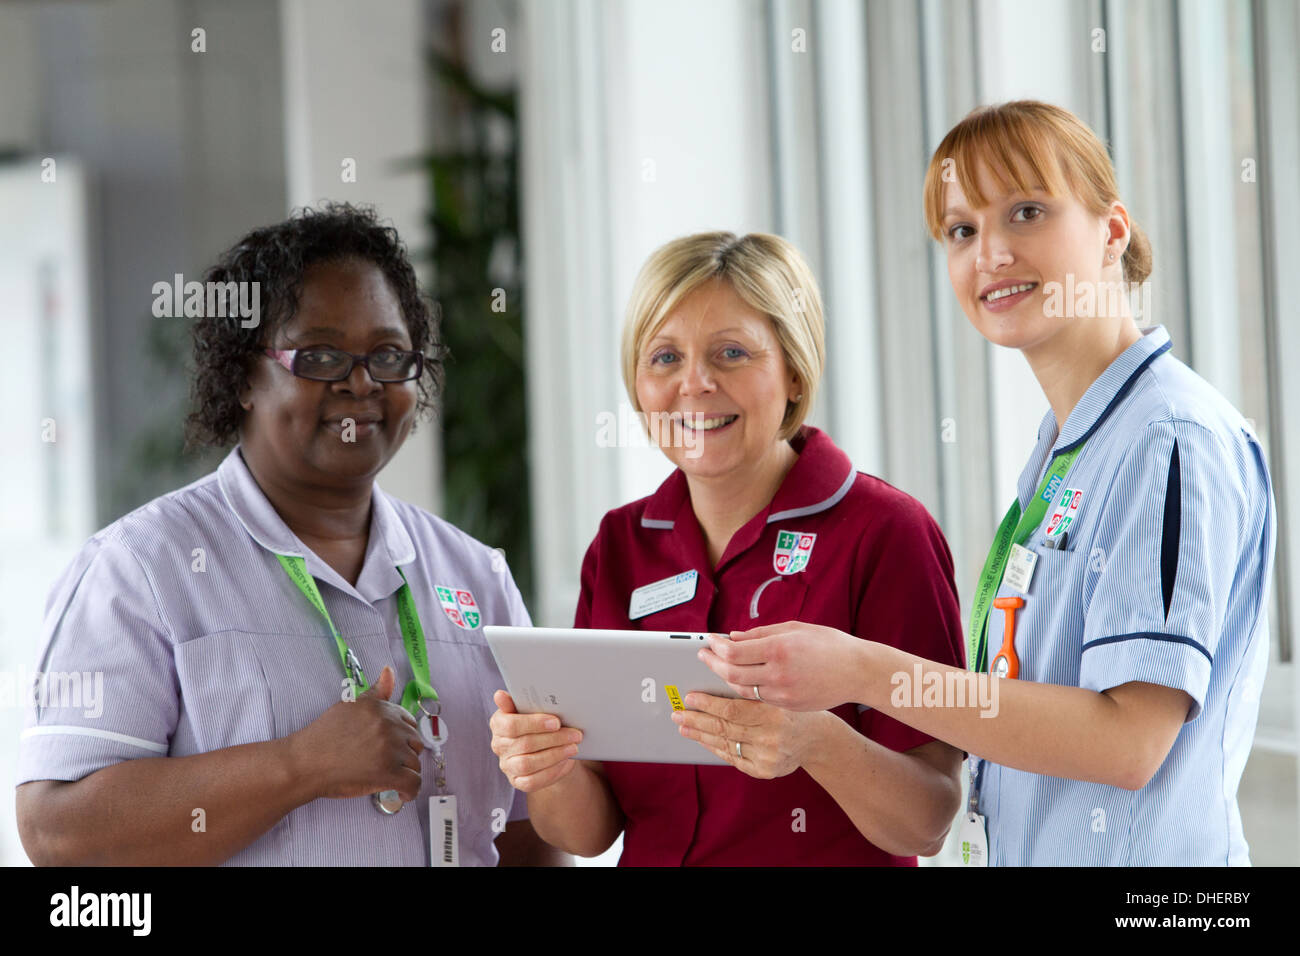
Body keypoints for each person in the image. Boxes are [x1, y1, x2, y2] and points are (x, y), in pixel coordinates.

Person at [698, 101, 1277, 866]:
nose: (991, 254)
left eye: (1026, 212)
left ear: (1113, 232)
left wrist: (864, 671)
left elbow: (1130, 741)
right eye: (962, 230)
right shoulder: (1064, 451)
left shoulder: (1168, 438)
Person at [16, 202, 563, 866]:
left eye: (388, 355)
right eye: (322, 355)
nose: (361, 383)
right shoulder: (139, 570)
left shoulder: (477, 577)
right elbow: (58, 834)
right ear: (245, 374)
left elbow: (534, 830)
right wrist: (299, 765)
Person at [489, 231, 966, 865]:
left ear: (794, 372)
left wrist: (818, 743)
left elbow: (926, 822)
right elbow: (586, 832)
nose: (696, 384)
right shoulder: (619, 546)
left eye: (732, 352)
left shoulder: (885, 534)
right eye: (663, 358)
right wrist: (543, 766)